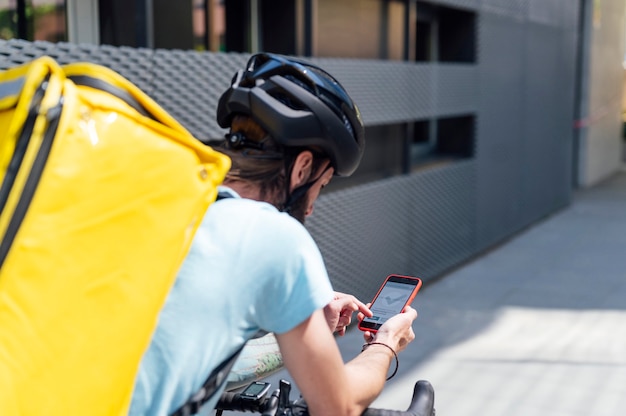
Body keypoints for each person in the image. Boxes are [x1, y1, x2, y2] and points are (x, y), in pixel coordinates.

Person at [129, 53, 417, 416]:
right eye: (321, 185)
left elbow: (183, 357)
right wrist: (387, 343)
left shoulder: (165, 202)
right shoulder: (272, 235)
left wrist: (300, 327)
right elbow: (336, 406)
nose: (310, 208)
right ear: (303, 167)